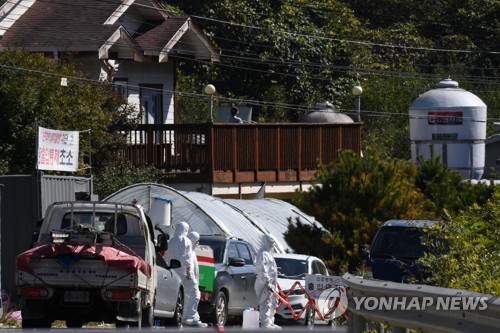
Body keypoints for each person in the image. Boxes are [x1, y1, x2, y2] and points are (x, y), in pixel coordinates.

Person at [165, 222, 207, 328]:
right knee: (195, 293)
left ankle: (181, 316)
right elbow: (186, 257)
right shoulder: (185, 240)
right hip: (184, 271)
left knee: (180, 295)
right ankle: (190, 317)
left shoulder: (170, 241)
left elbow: (167, 257)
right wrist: (189, 271)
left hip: (173, 272)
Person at [254, 234, 281, 330]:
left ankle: (270, 322)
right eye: (271, 243)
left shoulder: (269, 253)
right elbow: (262, 269)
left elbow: (272, 269)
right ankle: (265, 324)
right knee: (265, 303)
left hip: (271, 285)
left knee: (273, 302)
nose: (272, 245)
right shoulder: (263, 253)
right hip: (264, 284)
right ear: (266, 242)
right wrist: (266, 281)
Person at [186, 231, 204, 324]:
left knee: (193, 296)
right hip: (189, 277)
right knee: (195, 295)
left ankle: (194, 315)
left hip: (192, 278)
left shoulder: (192, 251)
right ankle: (190, 316)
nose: (198, 244)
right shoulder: (188, 251)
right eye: (197, 241)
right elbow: (188, 264)